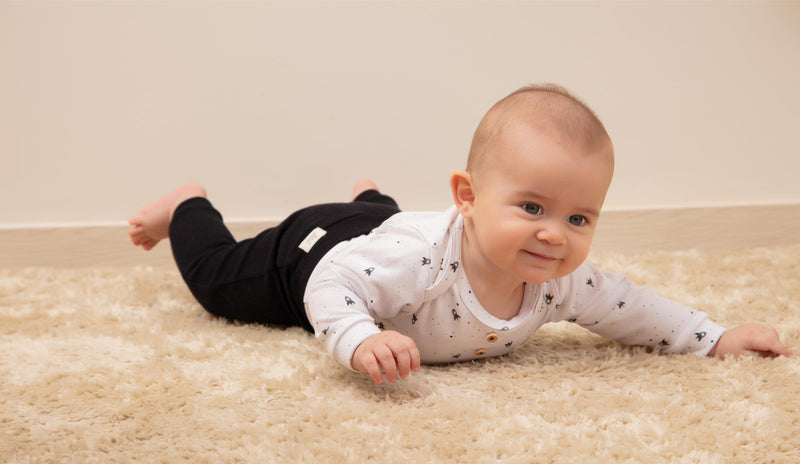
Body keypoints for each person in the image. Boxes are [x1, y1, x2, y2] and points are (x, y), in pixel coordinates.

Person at [129, 84, 790, 384]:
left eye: (578, 218)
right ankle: (188, 206)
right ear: (467, 199)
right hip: (320, 250)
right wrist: (359, 337)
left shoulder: (555, 279)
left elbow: (633, 308)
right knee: (219, 283)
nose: (555, 235)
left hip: (380, 230)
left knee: (379, 223)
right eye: (532, 207)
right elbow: (334, 283)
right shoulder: (417, 261)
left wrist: (714, 337)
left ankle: (371, 198)